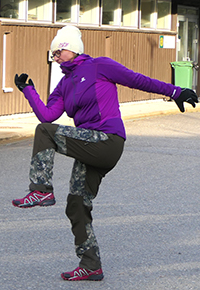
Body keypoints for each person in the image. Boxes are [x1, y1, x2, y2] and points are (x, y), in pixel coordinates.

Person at [11, 25, 198, 281]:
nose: (54, 57)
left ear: (71, 49)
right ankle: (91, 265)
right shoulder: (64, 84)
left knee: (45, 132)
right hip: (88, 146)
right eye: (53, 54)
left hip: (107, 140)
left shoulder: (100, 66)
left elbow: (138, 80)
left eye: (58, 52)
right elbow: (48, 114)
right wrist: (28, 91)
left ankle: (41, 190)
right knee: (76, 204)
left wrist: (175, 91)